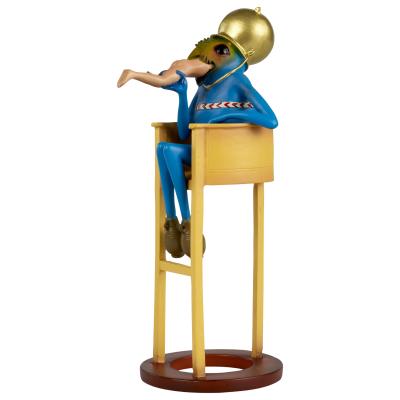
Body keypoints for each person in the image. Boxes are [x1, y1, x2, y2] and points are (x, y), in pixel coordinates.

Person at [117, 58, 212, 88]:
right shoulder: (210, 66)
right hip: (183, 68)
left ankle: (149, 76)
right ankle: (132, 74)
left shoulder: (203, 61)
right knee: (162, 81)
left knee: (161, 80)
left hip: (182, 64)